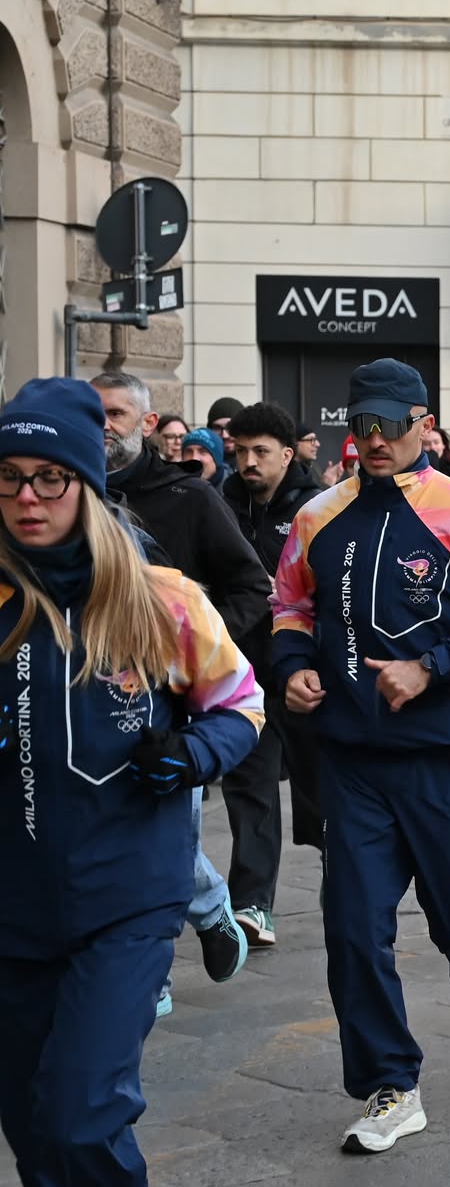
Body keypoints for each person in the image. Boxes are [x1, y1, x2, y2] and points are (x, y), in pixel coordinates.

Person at [0, 377, 265, 1187]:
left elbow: (242, 705)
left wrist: (195, 753)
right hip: (15, 905)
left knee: (79, 1111)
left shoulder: (156, 598)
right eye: (9, 479)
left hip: (127, 899)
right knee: (31, 1133)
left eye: (49, 479)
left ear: (85, 483)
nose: (28, 498)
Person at [273, 358, 450, 1154]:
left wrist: (431, 667)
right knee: (353, 927)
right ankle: (391, 1085)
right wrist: (294, 669)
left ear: (425, 422)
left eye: (391, 425)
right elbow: (289, 605)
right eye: (362, 427)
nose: (376, 440)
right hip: (350, 759)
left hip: (442, 755)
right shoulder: (317, 516)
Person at [93, 372, 271, 1007]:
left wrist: (197, 652)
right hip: (81, 702)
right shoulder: (64, 498)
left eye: (116, 412)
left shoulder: (189, 498)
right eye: (94, 413)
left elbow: (252, 588)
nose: (103, 424)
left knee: (165, 839)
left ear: (147, 424)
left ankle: (165, 959)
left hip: (172, 712)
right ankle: (197, 915)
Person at [220, 401, 328, 947]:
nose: (248, 462)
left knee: (319, 792)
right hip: (244, 673)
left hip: (304, 671)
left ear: (287, 455)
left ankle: (346, 885)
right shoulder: (221, 503)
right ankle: (251, 905)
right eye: (240, 451)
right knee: (250, 789)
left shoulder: (317, 506)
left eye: (260, 452)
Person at [178, 425, 228, 490]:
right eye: (189, 451)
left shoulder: (232, 494)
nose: (194, 458)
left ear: (217, 459)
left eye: (203, 451)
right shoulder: (174, 489)